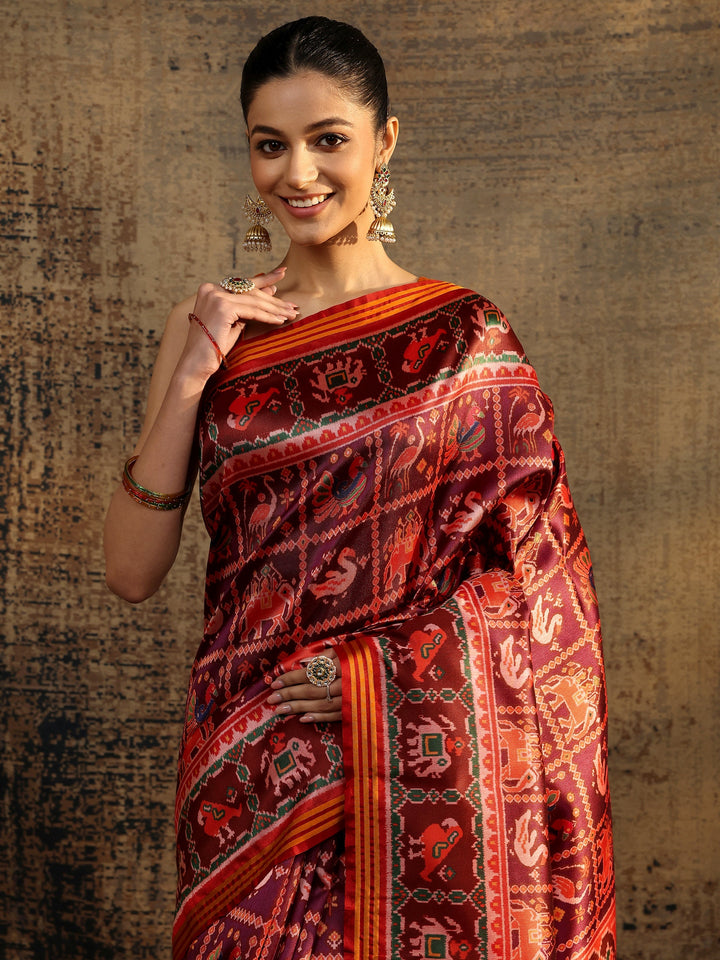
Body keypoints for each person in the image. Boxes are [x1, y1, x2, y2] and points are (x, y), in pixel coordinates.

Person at [104, 16, 616, 960]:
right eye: (270, 145)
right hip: (249, 754)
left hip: (417, 757)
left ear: (384, 142)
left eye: (327, 139)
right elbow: (130, 574)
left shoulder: (465, 340)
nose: (298, 174)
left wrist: (370, 678)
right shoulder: (207, 324)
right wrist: (193, 375)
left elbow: (542, 591)